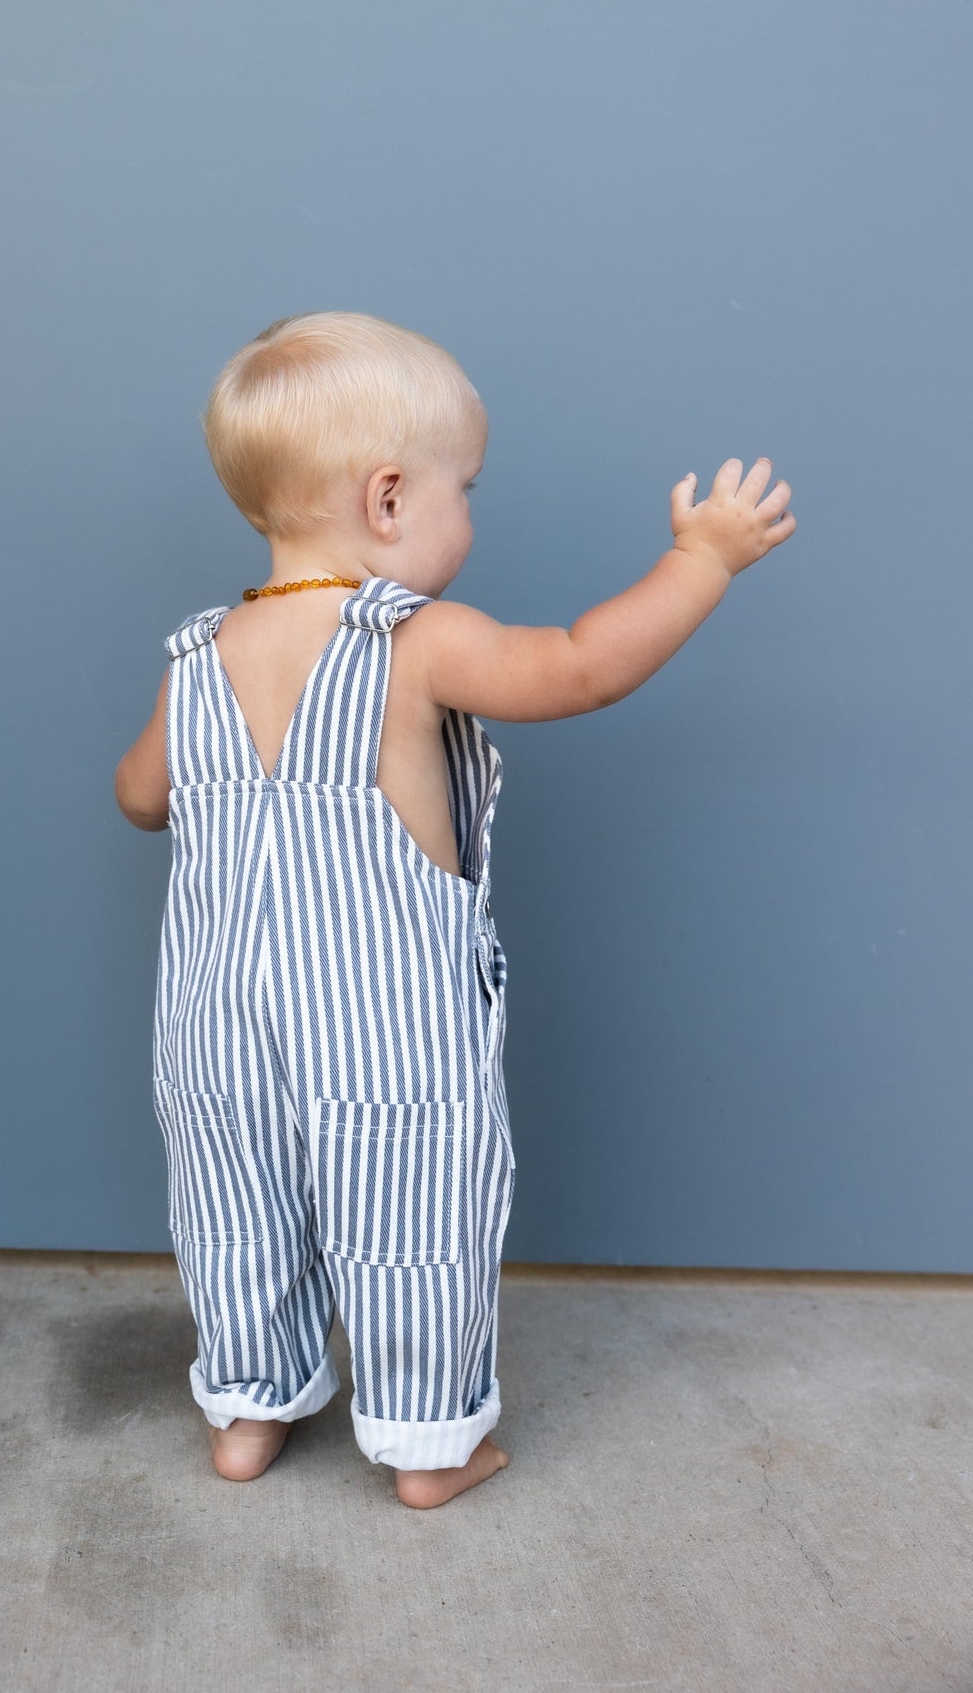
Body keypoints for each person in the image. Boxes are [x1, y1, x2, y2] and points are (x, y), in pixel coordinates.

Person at [114, 311, 796, 1509]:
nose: (467, 517)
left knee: (237, 1206)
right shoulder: (414, 642)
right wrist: (704, 561)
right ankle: (430, 1445)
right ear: (388, 499)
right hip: (384, 1024)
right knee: (411, 1213)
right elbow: (582, 664)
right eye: (462, 490)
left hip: (216, 1026)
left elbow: (136, 797)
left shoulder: (201, 654)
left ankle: (246, 1413)